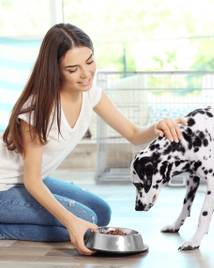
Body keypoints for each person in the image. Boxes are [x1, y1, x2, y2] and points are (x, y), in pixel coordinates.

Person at [0, 23, 185, 255]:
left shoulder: (91, 93)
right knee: (85, 222)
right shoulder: (37, 111)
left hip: (27, 182)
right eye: (73, 69)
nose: (86, 74)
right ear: (55, 69)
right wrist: (70, 222)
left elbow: (134, 135)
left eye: (89, 61)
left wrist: (157, 127)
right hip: (5, 186)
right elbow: (33, 182)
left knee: (101, 212)